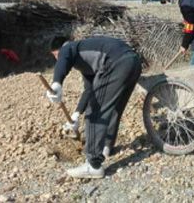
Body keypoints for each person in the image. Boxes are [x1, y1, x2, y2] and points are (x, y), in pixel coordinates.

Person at [46, 36, 141, 179]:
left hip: (115, 62)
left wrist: (56, 83)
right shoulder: (86, 60)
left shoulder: (69, 47)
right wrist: (76, 114)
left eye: (56, 57)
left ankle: (93, 165)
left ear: (60, 50)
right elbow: (89, 89)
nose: (57, 60)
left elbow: (64, 56)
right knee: (114, 107)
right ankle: (106, 147)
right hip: (133, 61)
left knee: (94, 110)